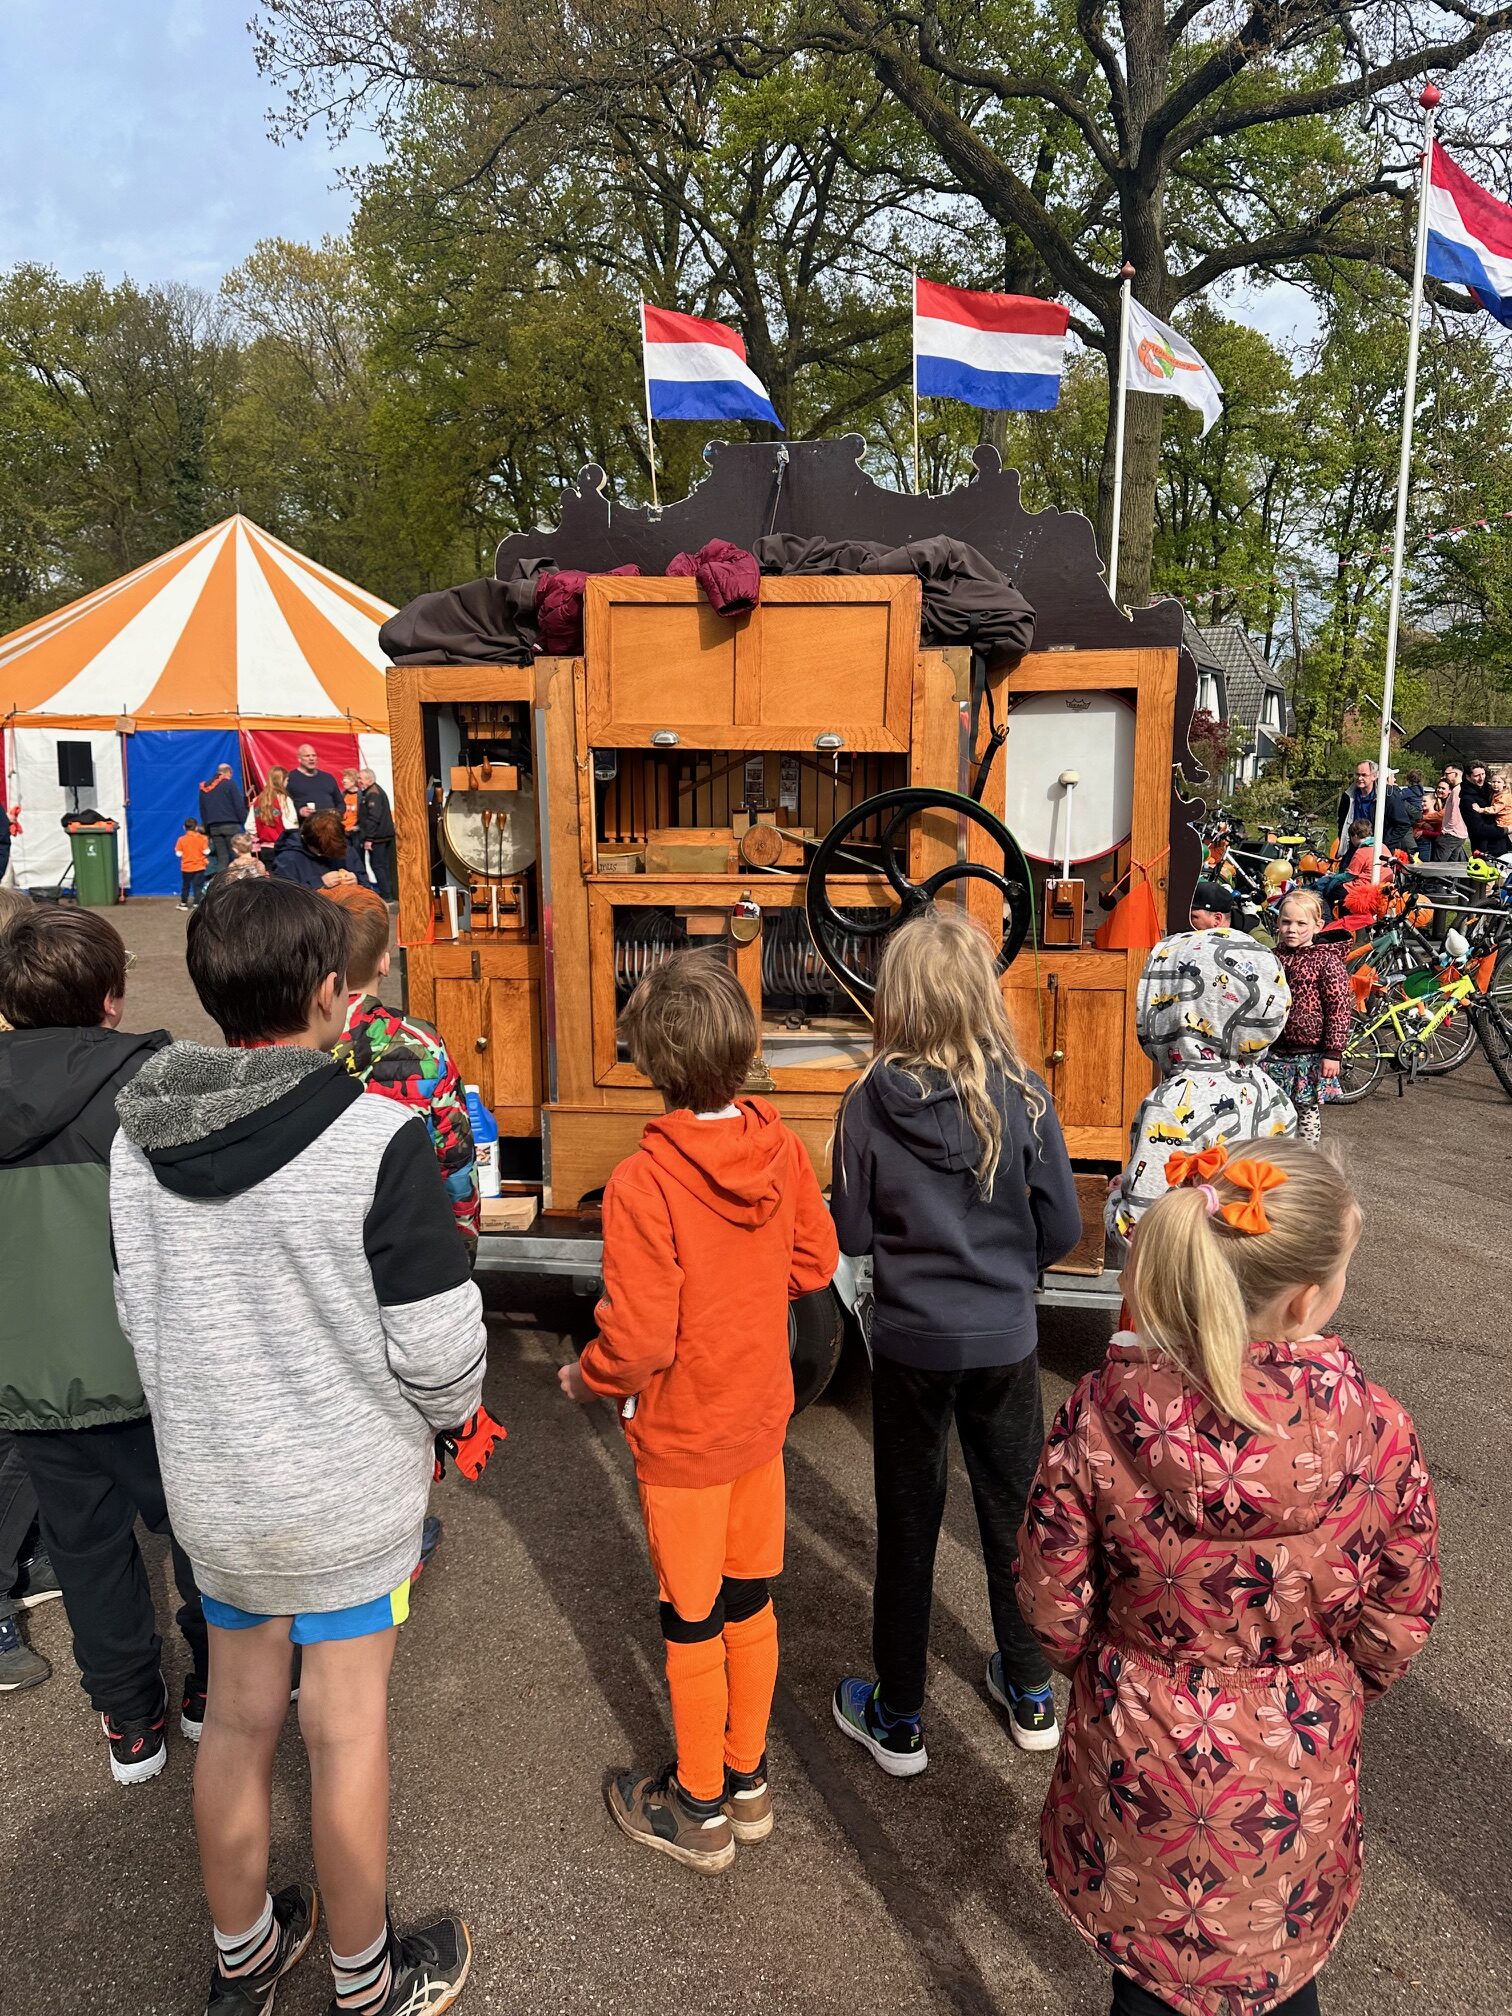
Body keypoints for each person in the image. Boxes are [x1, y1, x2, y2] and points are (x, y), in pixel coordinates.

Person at [110, 876, 485, 2015]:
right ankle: (367, 1986)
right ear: (332, 993)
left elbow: (139, 1313)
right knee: (346, 1724)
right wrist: (454, 1413)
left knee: (235, 1720)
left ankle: (245, 1959)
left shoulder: (140, 1146)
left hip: (217, 1491)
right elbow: (437, 1347)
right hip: (345, 1496)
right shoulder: (379, 1138)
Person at [1016, 1141, 1440, 2016]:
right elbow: (1402, 1611)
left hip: (1138, 1761)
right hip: (1295, 1770)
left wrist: (1112, 1666)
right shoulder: (1380, 1432)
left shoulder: (1098, 1414)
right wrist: (1325, 1683)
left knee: (1142, 1980)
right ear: (1306, 1296)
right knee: (1285, 1973)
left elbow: (1052, 1602)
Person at [557, 952, 837, 1873]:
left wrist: (588, 1375)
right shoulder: (782, 1145)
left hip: (682, 1431)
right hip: (759, 1415)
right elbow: (815, 1265)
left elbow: (637, 1338)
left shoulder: (645, 1180)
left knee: (690, 1616)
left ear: (652, 1062)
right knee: (751, 1601)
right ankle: (747, 1779)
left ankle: (699, 1804)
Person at [826, 909, 1080, 1771]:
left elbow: (853, 1237)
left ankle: (899, 1715)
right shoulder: (1026, 1096)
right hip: (1003, 1339)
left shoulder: (864, 1103)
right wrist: (1011, 1267)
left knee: (908, 1522)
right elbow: (1064, 1225)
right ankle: (1031, 1688)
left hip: (908, 1344)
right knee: (1015, 1514)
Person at [0, 908, 206, 1781]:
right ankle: (213, 1688)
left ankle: (130, 1718)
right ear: (113, 999)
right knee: (201, 1539)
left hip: (31, 1377)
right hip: (151, 1365)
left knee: (87, 1554)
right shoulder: (152, 1090)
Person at [1107, 926, 1295, 1241]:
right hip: (1248, 1273)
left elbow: (1138, 1229)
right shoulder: (1276, 1098)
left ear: (1169, 1010)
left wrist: (1114, 1201)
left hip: (1183, 1280)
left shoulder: (1170, 1105)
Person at [324, 884, 480, 1254]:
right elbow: (453, 1156)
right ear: (384, 961)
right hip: (406, 1239)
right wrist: (463, 1242)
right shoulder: (421, 1045)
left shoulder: (290, 1039)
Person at [1265, 889, 1351, 1146]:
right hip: (1273, 1050)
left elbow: (1338, 1008)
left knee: (1306, 1109)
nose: (1292, 929)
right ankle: (1273, 1156)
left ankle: (1306, 1156)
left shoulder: (1326, 961)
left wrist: (1333, 1052)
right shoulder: (1271, 958)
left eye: (1301, 923)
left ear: (1317, 926)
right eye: (1286, 922)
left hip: (1309, 1052)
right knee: (1271, 1107)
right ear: (1277, 923)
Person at [271, 810, 361, 889]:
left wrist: (358, 881)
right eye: (321, 852)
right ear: (304, 839)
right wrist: (318, 883)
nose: (326, 855)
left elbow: (367, 887)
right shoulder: (287, 860)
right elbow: (284, 898)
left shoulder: (346, 851)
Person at [199, 763, 249, 876]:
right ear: (228, 771)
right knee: (237, 855)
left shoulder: (205, 787)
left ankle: (221, 886)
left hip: (214, 827)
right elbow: (238, 805)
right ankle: (240, 884)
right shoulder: (229, 784)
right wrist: (245, 822)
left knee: (222, 858)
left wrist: (207, 829)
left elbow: (203, 810)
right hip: (231, 825)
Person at [357, 768, 397, 901]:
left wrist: (369, 838)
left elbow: (374, 817)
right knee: (382, 866)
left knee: (378, 866)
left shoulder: (373, 794)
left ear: (369, 780)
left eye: (360, 779)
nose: (359, 781)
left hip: (378, 837)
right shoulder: (372, 791)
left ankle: (386, 895)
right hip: (381, 835)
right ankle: (387, 893)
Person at [246, 767, 296, 866]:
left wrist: (262, 832)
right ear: (281, 781)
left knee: (271, 878)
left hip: (265, 849)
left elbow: (249, 826)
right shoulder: (284, 800)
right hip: (282, 847)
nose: (287, 783)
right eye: (287, 780)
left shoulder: (258, 800)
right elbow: (291, 826)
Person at [287, 744, 345, 822]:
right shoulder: (290, 778)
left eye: (313, 755)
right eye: (307, 756)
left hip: (330, 826)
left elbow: (340, 802)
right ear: (299, 759)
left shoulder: (328, 778)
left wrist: (337, 813)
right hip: (306, 828)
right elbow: (284, 805)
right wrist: (300, 811)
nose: (311, 758)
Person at [1461, 760, 1503, 859]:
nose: (1481, 778)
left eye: (1483, 774)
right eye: (1476, 776)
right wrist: (1505, 830)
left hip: (1501, 843)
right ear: (1468, 777)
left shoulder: (1490, 789)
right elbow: (1478, 829)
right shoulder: (1467, 799)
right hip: (1484, 848)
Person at [1335, 756, 1377, 846]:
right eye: (1357, 774)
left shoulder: (1382, 798)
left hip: (1374, 846)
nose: (1359, 778)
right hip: (1352, 845)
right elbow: (1342, 821)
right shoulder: (1348, 797)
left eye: (1364, 775)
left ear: (1374, 776)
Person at [1382, 767, 1424, 855]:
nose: (1395, 779)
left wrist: (1396, 790)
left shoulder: (1404, 792)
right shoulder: (1419, 791)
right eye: (1393, 776)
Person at [1437, 762, 1468, 861]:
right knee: (1451, 867)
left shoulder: (1457, 790)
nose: (1444, 777)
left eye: (1447, 774)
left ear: (1456, 774)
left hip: (1451, 834)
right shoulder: (1463, 788)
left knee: (1437, 867)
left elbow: (1456, 813)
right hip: (1460, 834)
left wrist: (1446, 831)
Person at [177, 818, 211, 910]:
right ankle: (197, 903)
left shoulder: (181, 839)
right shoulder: (202, 839)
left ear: (184, 827)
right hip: (199, 867)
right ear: (196, 827)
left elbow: (178, 853)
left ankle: (183, 903)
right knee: (198, 886)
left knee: (185, 886)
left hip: (186, 867)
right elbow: (207, 851)